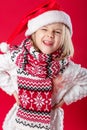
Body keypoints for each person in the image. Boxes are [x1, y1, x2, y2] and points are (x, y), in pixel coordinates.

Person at [0, 0, 87, 130]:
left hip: (49, 125)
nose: (50, 35)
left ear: (64, 37)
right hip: (19, 124)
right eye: (44, 29)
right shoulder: (17, 59)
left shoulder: (66, 67)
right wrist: (13, 91)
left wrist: (66, 99)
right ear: (34, 33)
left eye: (57, 32)